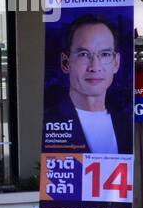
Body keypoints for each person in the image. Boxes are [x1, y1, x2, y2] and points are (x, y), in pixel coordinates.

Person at [45, 14, 132, 154]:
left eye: (105, 54)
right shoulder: (50, 123)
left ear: (116, 63)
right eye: (84, 54)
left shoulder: (126, 121)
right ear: (65, 63)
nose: (95, 67)